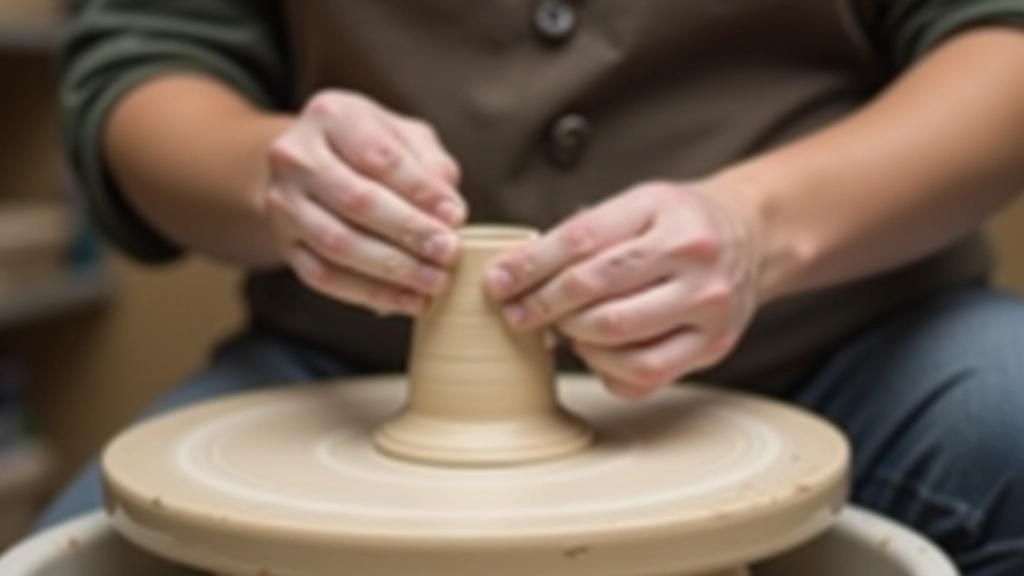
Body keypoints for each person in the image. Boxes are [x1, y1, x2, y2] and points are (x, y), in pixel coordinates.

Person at [36, 1, 1024, 574]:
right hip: (351, 366)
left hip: (843, 340)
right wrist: (280, 180)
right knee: (87, 555)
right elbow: (147, 58)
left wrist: (760, 227)